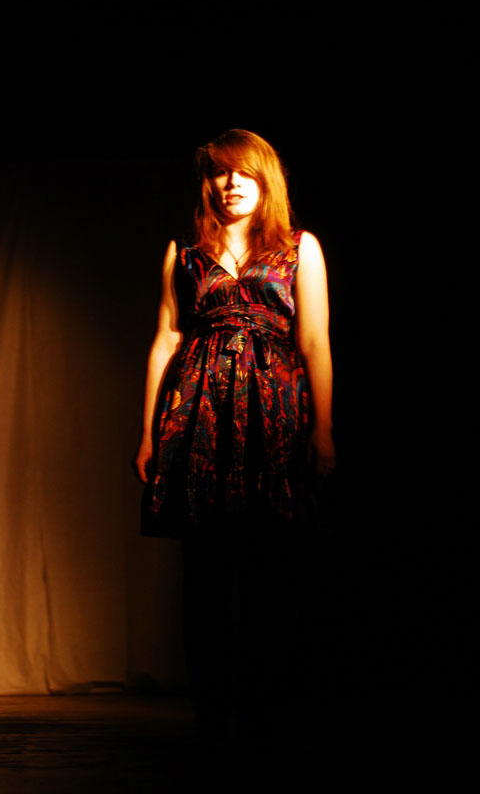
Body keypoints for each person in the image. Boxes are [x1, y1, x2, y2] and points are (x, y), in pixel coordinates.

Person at [134, 129, 336, 743]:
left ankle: (267, 707)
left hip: (274, 416)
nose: (231, 183)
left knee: (272, 564)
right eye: (221, 173)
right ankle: (212, 710)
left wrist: (323, 428)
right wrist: (148, 435)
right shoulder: (184, 254)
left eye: (243, 172)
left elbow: (314, 341)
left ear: (264, 179)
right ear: (209, 184)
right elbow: (166, 339)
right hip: (197, 416)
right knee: (204, 568)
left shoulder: (299, 248)